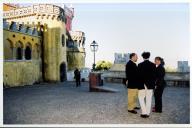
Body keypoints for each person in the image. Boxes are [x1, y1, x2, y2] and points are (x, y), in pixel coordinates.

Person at [138, 52, 156, 118]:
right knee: (149, 99)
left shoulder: (139, 65)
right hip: (150, 85)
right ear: (149, 56)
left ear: (143, 57)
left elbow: (138, 76)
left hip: (142, 84)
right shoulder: (153, 65)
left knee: (140, 97)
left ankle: (144, 112)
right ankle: (147, 113)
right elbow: (154, 76)